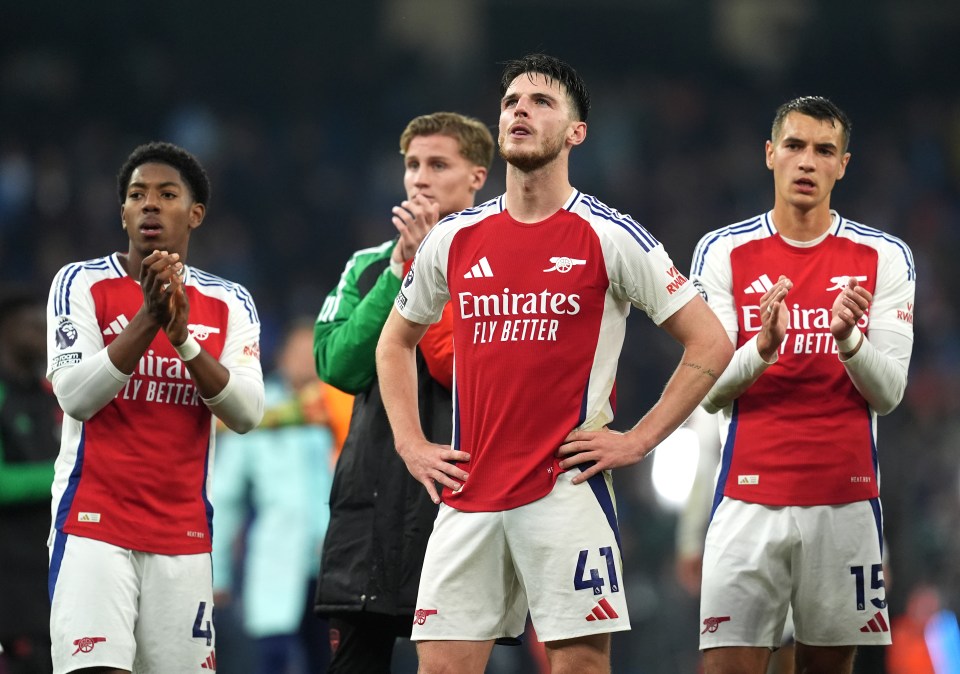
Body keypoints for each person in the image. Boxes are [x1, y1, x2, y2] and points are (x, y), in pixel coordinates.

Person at [375, 53, 733, 674]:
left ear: (576, 132)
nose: (520, 110)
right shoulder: (454, 236)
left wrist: (638, 441)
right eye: (512, 101)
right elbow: (394, 342)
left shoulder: (611, 235)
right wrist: (411, 443)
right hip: (468, 494)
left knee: (580, 668)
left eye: (541, 102)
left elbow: (711, 343)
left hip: (565, 493)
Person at [690, 96, 915, 674]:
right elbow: (709, 392)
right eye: (793, 146)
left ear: (843, 164)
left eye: (824, 150)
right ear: (770, 155)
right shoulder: (723, 252)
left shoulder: (884, 257)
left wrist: (849, 341)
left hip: (845, 503)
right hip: (747, 501)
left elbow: (888, 394)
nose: (807, 162)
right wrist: (761, 349)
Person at [45, 141, 265, 674]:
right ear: (122, 211)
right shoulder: (80, 283)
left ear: (195, 214)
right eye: (137, 195)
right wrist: (149, 320)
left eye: (167, 195)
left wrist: (184, 340)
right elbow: (75, 396)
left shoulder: (230, 301)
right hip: (94, 525)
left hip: (183, 538)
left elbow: (246, 414)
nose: (150, 205)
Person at [312, 111, 494, 672]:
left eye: (438, 164)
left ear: (477, 178)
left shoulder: (500, 267)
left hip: (457, 495)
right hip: (368, 502)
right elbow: (337, 365)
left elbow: (463, 374)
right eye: (412, 165)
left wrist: (421, 264)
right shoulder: (366, 267)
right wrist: (398, 269)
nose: (419, 178)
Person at [212, 317, 338, 674]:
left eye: (314, 353)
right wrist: (217, 572)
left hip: (334, 561)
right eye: (298, 353)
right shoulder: (257, 410)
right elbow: (226, 495)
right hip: (278, 558)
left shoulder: (342, 408)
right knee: (274, 661)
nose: (306, 362)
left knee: (333, 662)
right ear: (281, 357)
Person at [0, 287, 61, 674]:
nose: (46, 334)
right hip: (11, 578)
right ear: (7, 329)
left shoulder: (50, 395)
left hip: (57, 567)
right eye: (35, 326)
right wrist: (68, 472)